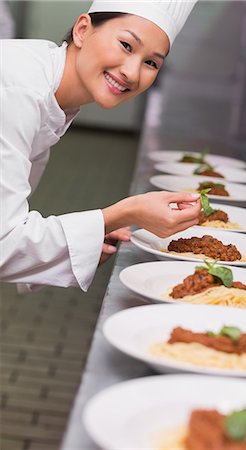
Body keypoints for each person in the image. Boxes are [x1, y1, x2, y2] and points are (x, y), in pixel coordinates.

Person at [0, 0, 200, 293]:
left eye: (151, 62)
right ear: (82, 30)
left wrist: (95, 234)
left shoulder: (46, 82)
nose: (132, 72)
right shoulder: (19, 91)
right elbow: (4, 243)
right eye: (126, 45)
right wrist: (121, 214)